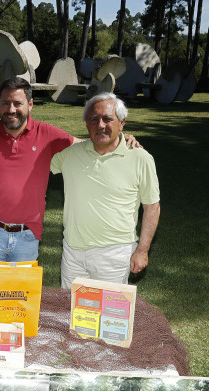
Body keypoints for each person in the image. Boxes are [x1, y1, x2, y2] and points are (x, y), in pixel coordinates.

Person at [0, 77, 140, 262]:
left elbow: (85, 145)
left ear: (30, 104)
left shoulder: (46, 134)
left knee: (22, 291)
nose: (11, 110)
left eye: (17, 104)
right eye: (5, 103)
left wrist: (118, 139)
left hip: (28, 234)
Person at [50, 93, 160, 286]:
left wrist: (142, 251)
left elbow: (152, 207)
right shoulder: (70, 155)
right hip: (73, 253)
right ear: (86, 123)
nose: (100, 125)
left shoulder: (141, 158)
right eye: (93, 118)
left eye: (108, 119)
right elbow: (34, 161)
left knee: (110, 315)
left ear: (122, 123)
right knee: (70, 311)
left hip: (115, 255)